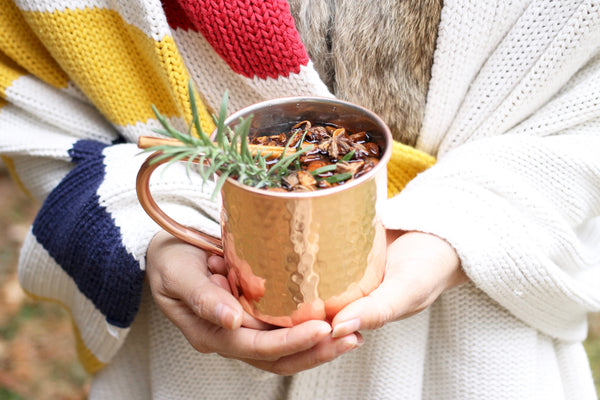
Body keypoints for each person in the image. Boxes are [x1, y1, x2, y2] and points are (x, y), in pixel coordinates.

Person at [1, 0, 599, 398]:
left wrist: (461, 225)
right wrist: (157, 228)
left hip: (477, 354)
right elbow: (31, 82)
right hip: (193, 372)